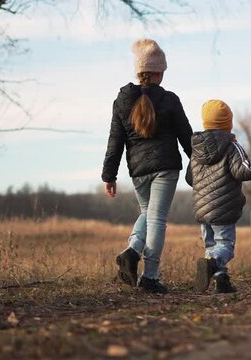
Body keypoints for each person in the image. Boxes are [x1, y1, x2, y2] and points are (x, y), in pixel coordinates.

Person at [102, 39, 193, 294]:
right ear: (156, 72)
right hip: (165, 167)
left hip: (138, 170)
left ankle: (132, 251)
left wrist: (109, 175)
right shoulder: (170, 100)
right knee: (157, 219)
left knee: (147, 214)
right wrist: (200, 162)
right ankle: (150, 276)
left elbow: (115, 141)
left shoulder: (122, 101)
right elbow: (186, 137)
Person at [186, 100, 251, 293]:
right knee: (225, 245)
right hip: (224, 207)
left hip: (202, 209)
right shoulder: (231, 146)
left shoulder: (196, 150)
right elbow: (244, 170)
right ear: (228, 123)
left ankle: (222, 281)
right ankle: (212, 264)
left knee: (211, 245)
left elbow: (190, 178)